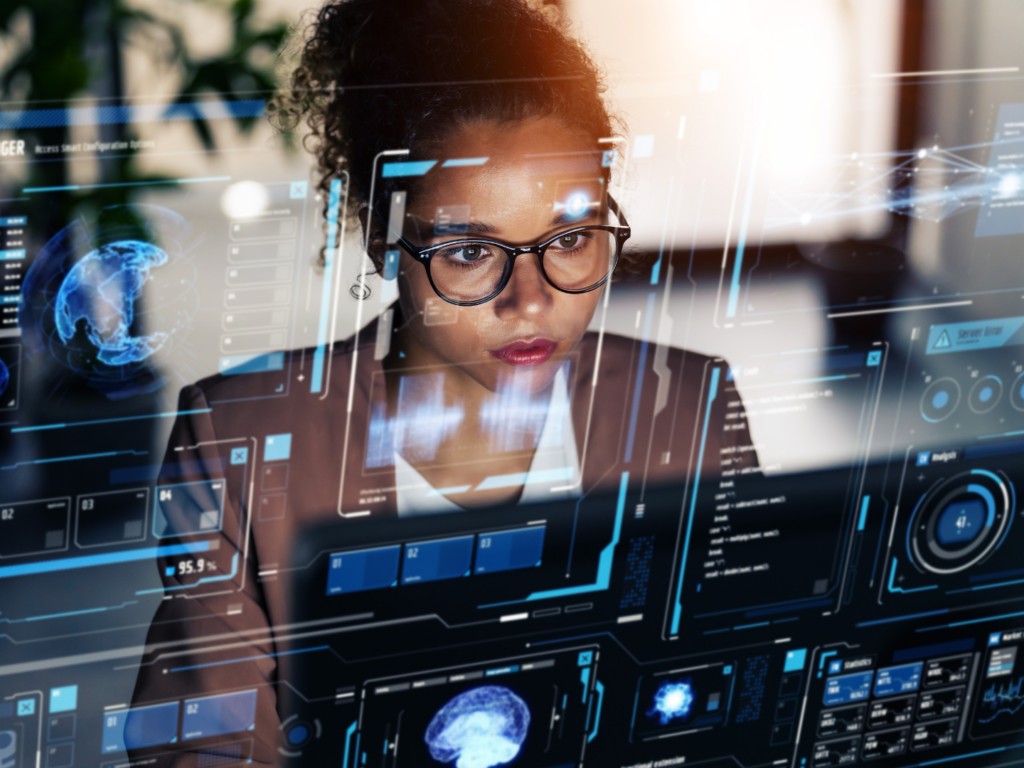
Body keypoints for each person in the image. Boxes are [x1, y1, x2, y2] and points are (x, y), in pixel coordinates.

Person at [129, 0, 754, 764]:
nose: (531, 301)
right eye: (468, 252)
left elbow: (738, 702)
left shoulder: (687, 408)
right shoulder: (239, 439)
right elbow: (206, 744)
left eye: (572, 238)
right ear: (381, 237)